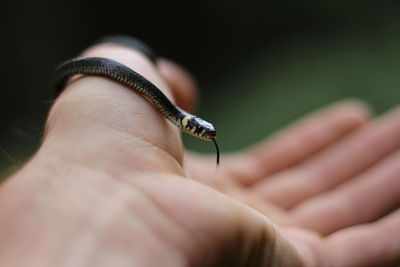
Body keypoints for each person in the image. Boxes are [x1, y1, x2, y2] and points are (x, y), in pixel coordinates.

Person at [0, 43, 399, 267]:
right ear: (189, 125)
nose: (204, 133)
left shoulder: (173, 113)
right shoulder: (165, 111)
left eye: (202, 131)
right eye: (200, 130)